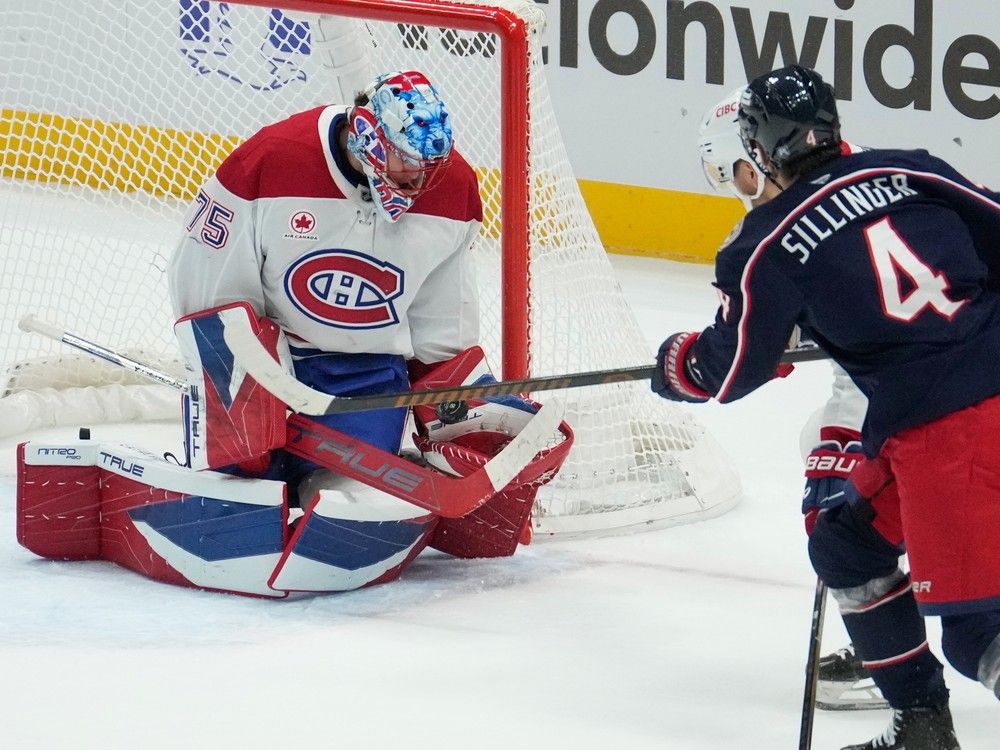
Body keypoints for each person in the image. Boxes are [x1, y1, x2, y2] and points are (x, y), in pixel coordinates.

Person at [656, 65, 1000, 749]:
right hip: (940, 412)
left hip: (951, 432)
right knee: (845, 547)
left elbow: (732, 369)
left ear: (759, 150)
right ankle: (921, 729)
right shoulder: (912, 168)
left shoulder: (765, 242)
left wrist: (677, 364)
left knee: (978, 633)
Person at [166, 69, 570, 593]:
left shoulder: (453, 190)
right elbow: (205, 287)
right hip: (272, 363)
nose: (418, 181)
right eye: (405, 162)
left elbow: (439, 323)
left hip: (367, 380)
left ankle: (384, 467)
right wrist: (244, 379)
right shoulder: (270, 161)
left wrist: (456, 404)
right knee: (245, 481)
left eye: (429, 166)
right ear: (367, 136)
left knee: (352, 496)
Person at [698, 89, 888, 713]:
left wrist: (707, 361)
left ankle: (886, 656)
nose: (739, 189)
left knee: (839, 514)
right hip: (950, 356)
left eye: (735, 173)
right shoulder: (870, 170)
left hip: (914, 378)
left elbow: (741, 362)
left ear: (758, 159)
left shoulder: (778, 228)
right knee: (822, 441)